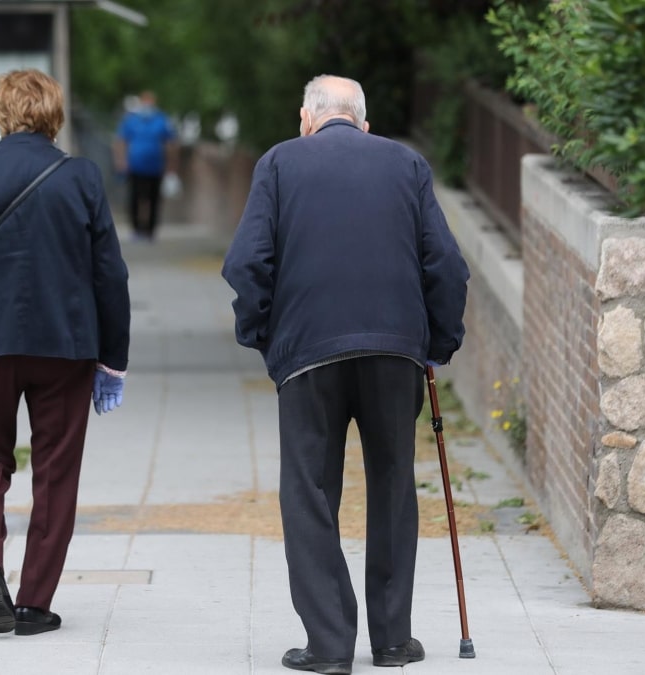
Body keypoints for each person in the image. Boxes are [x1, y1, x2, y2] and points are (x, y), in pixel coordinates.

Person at [222, 75, 470, 674]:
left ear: (305, 118)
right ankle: (391, 641)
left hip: (307, 352)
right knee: (392, 485)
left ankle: (330, 645)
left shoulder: (279, 163)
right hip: (395, 351)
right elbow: (449, 267)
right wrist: (436, 343)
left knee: (309, 490)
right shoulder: (406, 164)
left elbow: (247, 263)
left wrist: (261, 336)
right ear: (364, 121)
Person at [0, 69, 130, 637]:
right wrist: (114, 358)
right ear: (54, 115)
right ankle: (35, 603)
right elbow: (109, 275)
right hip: (65, 347)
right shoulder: (81, 177)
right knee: (56, 470)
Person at [113, 90, 178, 240]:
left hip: (155, 167)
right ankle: (137, 229)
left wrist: (171, 165)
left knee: (154, 199)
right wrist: (121, 162)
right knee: (135, 198)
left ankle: (150, 230)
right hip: (135, 167)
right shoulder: (132, 120)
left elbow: (171, 143)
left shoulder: (161, 120)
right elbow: (121, 141)